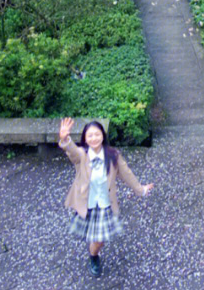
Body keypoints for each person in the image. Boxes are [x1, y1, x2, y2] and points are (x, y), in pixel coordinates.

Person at [58, 117, 154, 277]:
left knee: (100, 239)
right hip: (87, 203)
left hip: (105, 204)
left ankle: (93, 254)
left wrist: (140, 189)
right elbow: (73, 152)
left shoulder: (113, 155)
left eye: (97, 134)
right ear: (85, 139)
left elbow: (126, 174)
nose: (94, 138)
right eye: (90, 136)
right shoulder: (82, 155)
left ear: (103, 135)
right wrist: (65, 139)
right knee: (95, 235)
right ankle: (94, 257)